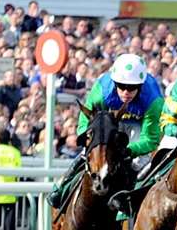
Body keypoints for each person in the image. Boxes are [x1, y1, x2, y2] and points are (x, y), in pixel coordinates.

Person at [59, 52, 163, 211]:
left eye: (132, 87)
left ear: (140, 86)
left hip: (138, 126)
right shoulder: (102, 90)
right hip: (108, 123)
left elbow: (150, 139)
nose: (126, 92)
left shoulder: (153, 99)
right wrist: (89, 141)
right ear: (115, 83)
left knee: (138, 163)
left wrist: (128, 150)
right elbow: (85, 120)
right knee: (90, 155)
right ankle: (61, 188)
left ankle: (132, 202)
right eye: (121, 86)